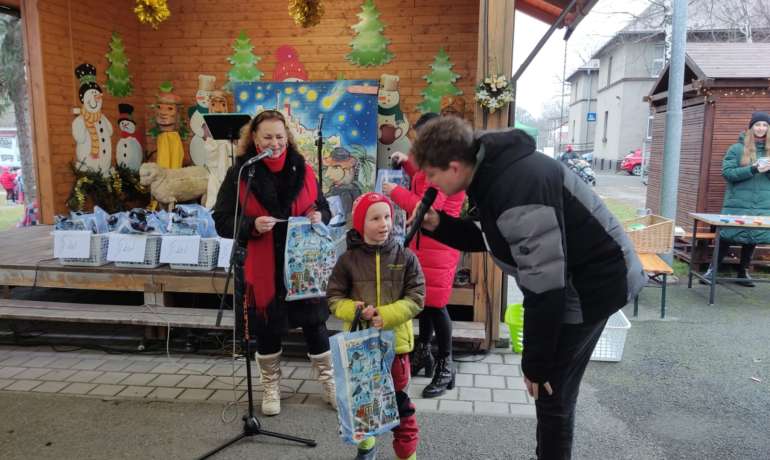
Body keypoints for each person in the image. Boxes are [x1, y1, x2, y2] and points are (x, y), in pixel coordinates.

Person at [409, 116, 646, 460]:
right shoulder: (490, 172)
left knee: (551, 392)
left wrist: (535, 363)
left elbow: (544, 286)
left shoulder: (517, 185)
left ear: (455, 167)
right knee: (553, 392)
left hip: (593, 285)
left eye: (431, 174)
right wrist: (438, 224)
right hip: (574, 279)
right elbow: (494, 238)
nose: (429, 183)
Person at [212, 109, 336, 416]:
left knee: (316, 327)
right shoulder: (242, 172)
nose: (275, 143)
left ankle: (330, 383)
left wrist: (320, 216)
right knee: (267, 330)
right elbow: (222, 220)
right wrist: (251, 225)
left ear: (288, 137)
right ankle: (271, 387)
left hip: (303, 266)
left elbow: (322, 207)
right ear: (254, 138)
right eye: (267, 136)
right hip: (263, 267)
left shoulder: (303, 169)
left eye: (280, 136)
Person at [327, 192, 425, 460]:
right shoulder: (347, 260)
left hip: (398, 346)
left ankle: (407, 455)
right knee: (364, 402)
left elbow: (417, 298)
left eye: (387, 217)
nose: (384, 224)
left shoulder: (406, 257)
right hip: (361, 345)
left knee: (400, 404)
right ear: (360, 224)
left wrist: (388, 315)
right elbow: (334, 299)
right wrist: (357, 310)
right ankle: (366, 447)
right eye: (375, 218)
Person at [382, 112, 465, 398]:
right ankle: (424, 354)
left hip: (440, 243)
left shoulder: (449, 167)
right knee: (425, 302)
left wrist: (395, 193)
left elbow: (428, 207)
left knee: (437, 305)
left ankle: (445, 364)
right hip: (421, 242)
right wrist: (406, 165)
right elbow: (421, 180)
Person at [703, 111, 770, 287]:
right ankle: (712, 270)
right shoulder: (737, 148)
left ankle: (743, 272)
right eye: (757, 125)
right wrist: (753, 169)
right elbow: (728, 173)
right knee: (726, 235)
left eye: (764, 125)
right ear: (751, 127)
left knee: (753, 237)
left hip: (763, 203)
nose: (761, 128)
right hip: (737, 202)